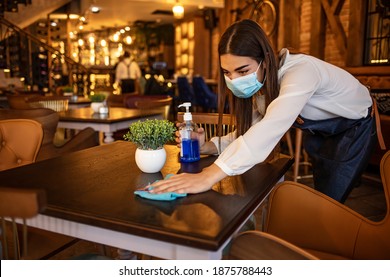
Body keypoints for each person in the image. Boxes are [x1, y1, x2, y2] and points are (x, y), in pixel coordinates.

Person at [149, 19, 383, 203]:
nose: (234, 80)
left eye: (242, 71)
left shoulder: (301, 72)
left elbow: (269, 129)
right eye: (227, 72)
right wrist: (207, 146)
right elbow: (251, 132)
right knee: (320, 194)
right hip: (322, 131)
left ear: (266, 60)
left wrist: (208, 176)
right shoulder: (261, 85)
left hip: (355, 126)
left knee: (329, 202)